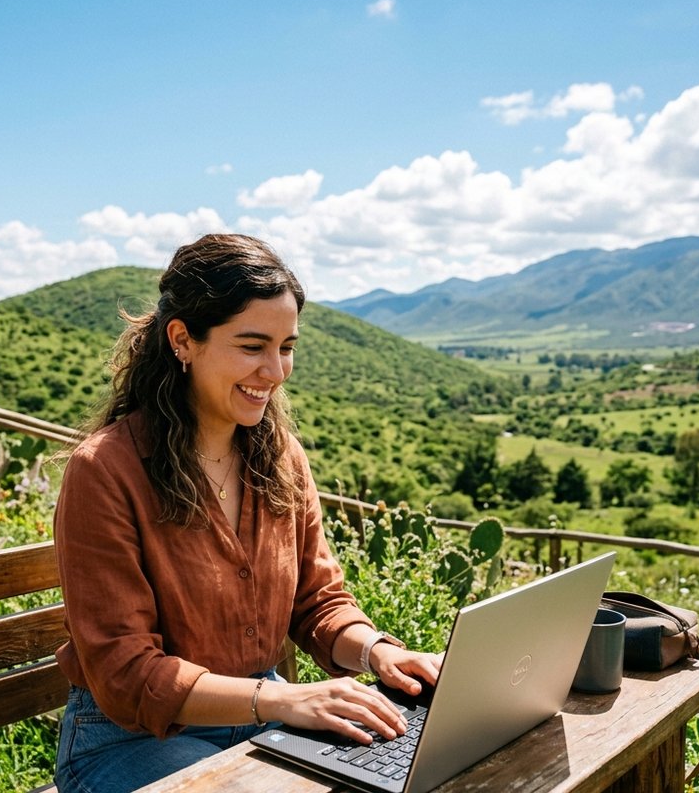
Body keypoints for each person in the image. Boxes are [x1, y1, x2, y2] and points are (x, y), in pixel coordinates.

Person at [53, 233, 442, 793]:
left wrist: (377, 651)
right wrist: (284, 698)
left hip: (263, 718)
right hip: (133, 741)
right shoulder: (105, 471)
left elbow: (318, 599)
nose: (277, 371)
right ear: (183, 340)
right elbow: (126, 674)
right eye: (253, 346)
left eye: (287, 347)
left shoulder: (280, 456)